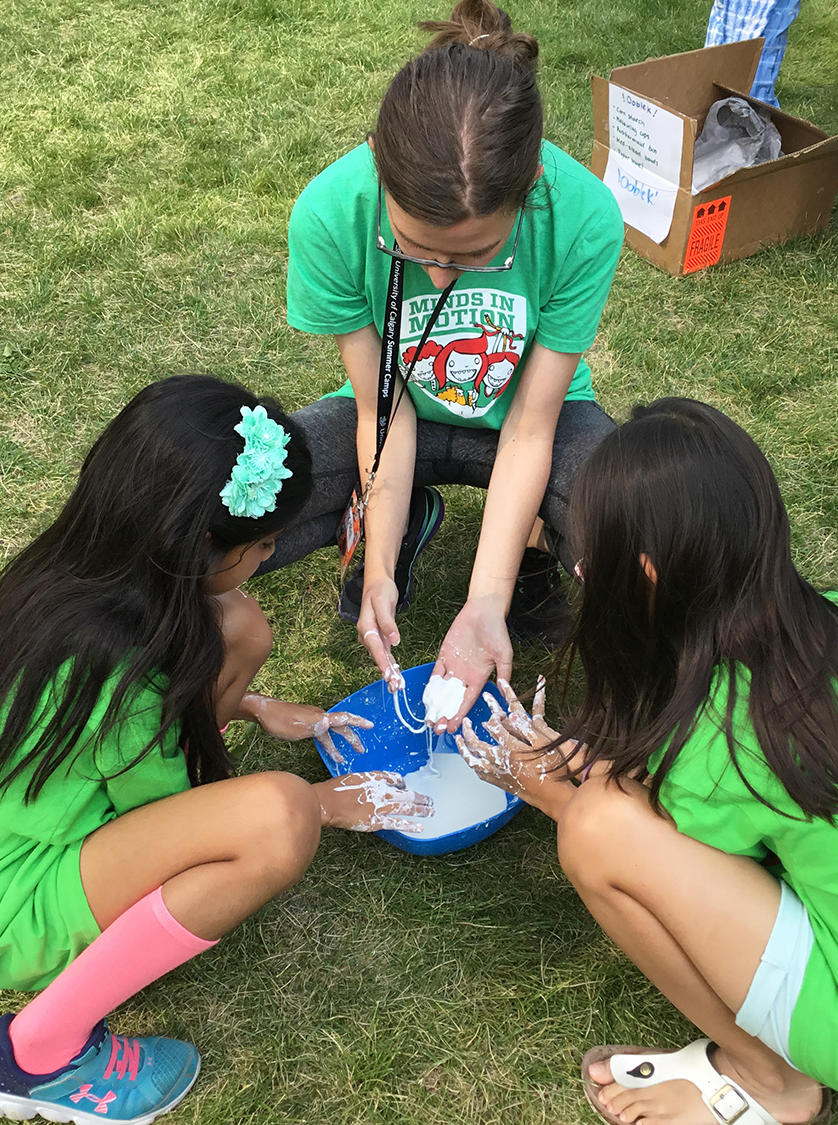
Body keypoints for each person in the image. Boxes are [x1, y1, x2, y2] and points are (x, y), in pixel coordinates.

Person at [0, 375, 432, 1124]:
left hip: (28, 821)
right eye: (263, 543)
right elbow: (173, 820)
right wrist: (319, 804)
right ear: (199, 541)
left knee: (238, 623)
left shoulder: (71, 580)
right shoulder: (118, 667)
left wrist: (257, 706)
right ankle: (40, 1050)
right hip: (20, 899)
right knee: (277, 817)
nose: (267, 557)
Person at [458, 398, 838, 1125]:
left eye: (588, 551)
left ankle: (772, 1082)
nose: (576, 563)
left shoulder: (722, 737)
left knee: (596, 829)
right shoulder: (817, 619)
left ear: (648, 572)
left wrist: (556, 793)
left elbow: (649, 841)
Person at [263, 0, 624, 730]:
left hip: (526, 428)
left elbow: (530, 427)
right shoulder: (330, 211)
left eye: (472, 255)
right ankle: (407, 521)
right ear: (376, 159)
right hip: (399, 416)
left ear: (530, 193)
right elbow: (380, 407)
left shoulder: (585, 215)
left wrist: (485, 596)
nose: (436, 276)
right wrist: (377, 560)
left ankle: (526, 553)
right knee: (233, 493)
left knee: (642, 535)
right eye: (412, 244)